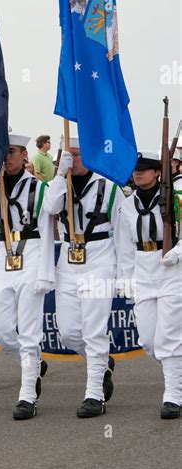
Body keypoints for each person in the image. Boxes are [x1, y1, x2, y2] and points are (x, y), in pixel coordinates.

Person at [0, 133, 55, 420]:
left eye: (12, 152)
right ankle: (32, 360)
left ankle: (28, 394)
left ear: (24, 156)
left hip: (31, 253)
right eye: (2, 153)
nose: (7, 157)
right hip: (4, 254)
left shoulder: (39, 188)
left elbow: (47, 230)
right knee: (1, 328)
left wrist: (46, 272)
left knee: (29, 328)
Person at [43, 138, 125, 418]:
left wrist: (124, 273)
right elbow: (49, 208)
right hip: (68, 261)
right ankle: (101, 361)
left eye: (77, 155)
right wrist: (59, 174)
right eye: (69, 156)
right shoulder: (60, 185)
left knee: (93, 330)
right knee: (68, 332)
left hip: (99, 260)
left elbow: (122, 234)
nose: (73, 160)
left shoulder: (109, 186)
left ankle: (94, 394)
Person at [115, 151, 181, 419]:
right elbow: (124, 245)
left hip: (172, 272)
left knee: (168, 336)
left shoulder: (174, 200)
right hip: (143, 271)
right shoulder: (127, 206)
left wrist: (177, 253)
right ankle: (177, 374)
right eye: (135, 169)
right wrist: (124, 278)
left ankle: (173, 396)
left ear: (157, 172)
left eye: (145, 168)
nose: (138, 172)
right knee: (149, 340)